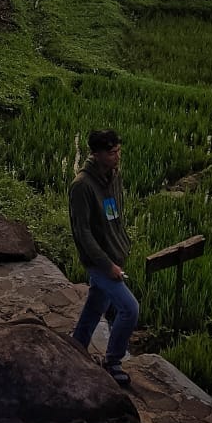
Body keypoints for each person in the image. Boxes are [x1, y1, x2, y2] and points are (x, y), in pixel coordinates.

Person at [69, 128, 139, 387]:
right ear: (95, 154)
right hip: (99, 261)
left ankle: (76, 347)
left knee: (95, 305)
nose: (117, 157)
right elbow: (83, 234)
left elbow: (115, 216)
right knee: (130, 309)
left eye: (119, 151)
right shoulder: (82, 186)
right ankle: (112, 361)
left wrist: (121, 246)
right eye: (111, 153)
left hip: (114, 254)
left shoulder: (113, 176)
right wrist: (107, 264)